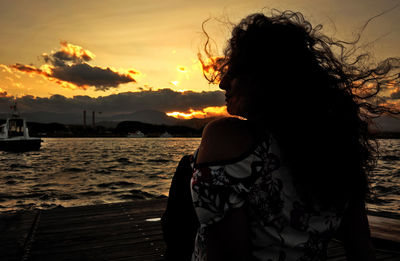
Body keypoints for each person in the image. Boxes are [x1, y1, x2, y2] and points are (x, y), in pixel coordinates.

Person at [163, 10, 399, 261]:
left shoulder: (225, 136)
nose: (222, 82)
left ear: (267, 76)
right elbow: (361, 250)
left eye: (235, 71)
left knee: (187, 169)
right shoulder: (339, 150)